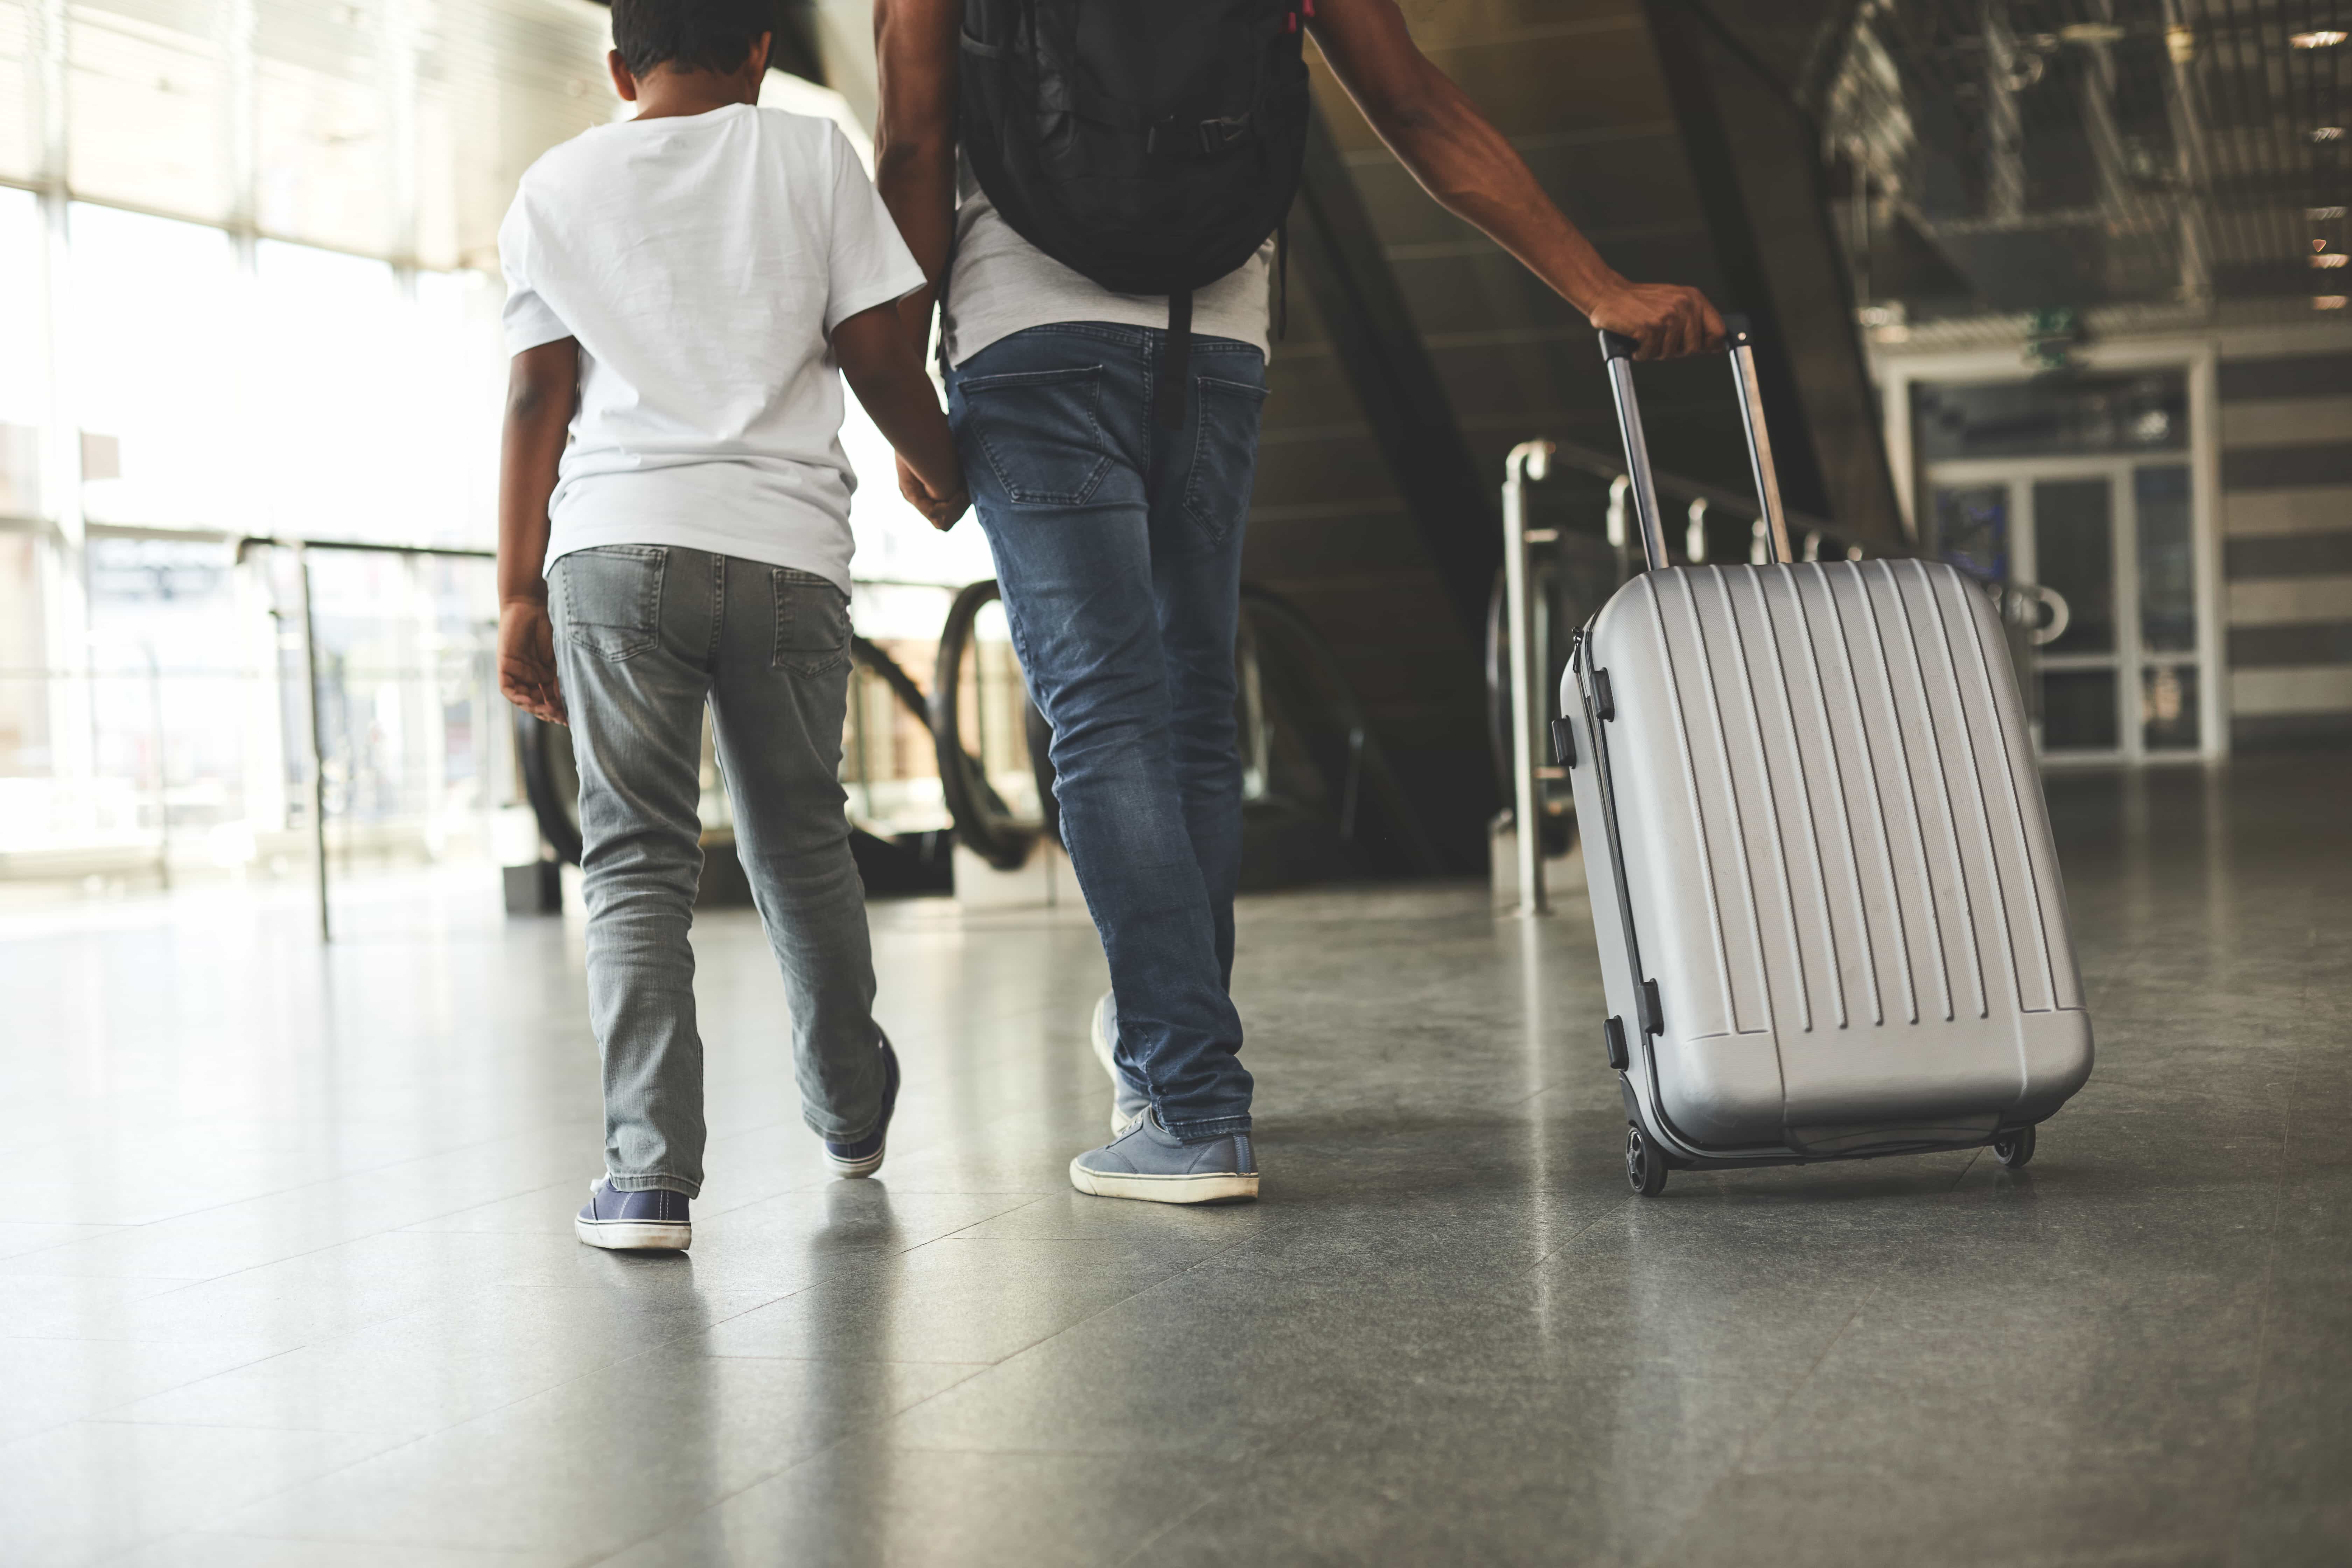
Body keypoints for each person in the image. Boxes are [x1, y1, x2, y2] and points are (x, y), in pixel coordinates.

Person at [874, 0, 1726, 1205]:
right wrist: (1597, 285)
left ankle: (1191, 1101)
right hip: (1217, 334)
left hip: (1032, 333)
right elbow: (1417, 104)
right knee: (1192, 716)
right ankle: (1165, 1064)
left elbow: (914, 143)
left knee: (1105, 720)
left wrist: (911, 395)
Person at [494, 0, 967, 1253]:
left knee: (634, 860)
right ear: (762, 49)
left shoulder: (555, 184)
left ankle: (649, 1181)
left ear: (616, 65)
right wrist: (941, 467)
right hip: (784, 554)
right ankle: (851, 1110)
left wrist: (518, 591)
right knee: (802, 845)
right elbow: (876, 355)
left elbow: (539, 395)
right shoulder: (810, 153)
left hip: (612, 546)